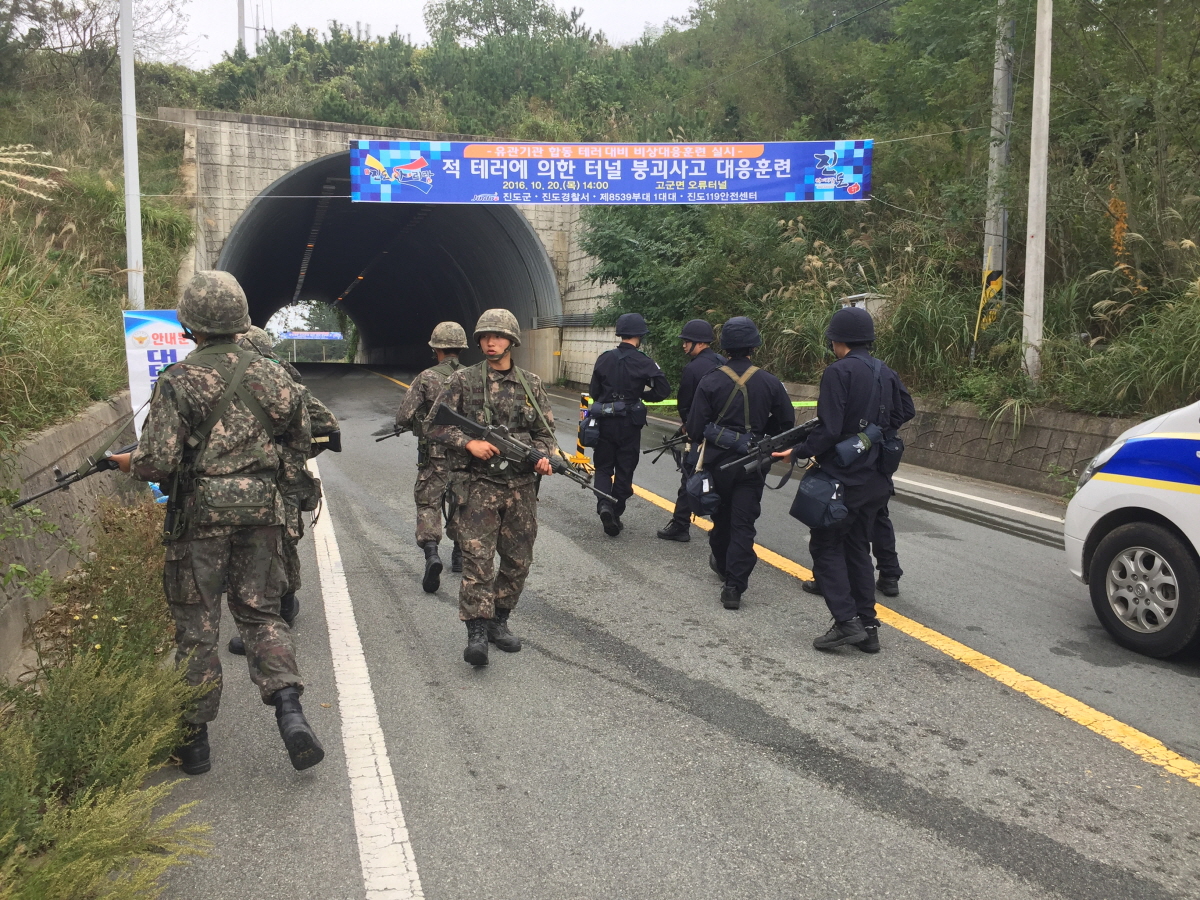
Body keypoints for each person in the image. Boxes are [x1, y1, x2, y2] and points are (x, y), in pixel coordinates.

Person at [112, 271, 323, 774]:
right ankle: (291, 712)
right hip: (263, 515)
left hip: (201, 519)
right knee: (262, 614)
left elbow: (156, 463)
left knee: (198, 626)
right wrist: (276, 497)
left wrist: (127, 462)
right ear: (240, 319)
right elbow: (299, 448)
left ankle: (195, 744)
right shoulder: (277, 376)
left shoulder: (179, 379)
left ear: (190, 323)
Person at [773, 305, 914, 653]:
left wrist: (799, 450)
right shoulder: (886, 372)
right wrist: (873, 432)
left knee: (825, 545)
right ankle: (868, 627)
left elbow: (830, 428)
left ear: (837, 340)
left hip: (844, 477)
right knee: (857, 550)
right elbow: (905, 411)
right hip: (877, 479)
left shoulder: (839, 372)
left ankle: (846, 622)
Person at [425, 308, 557, 667]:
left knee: (517, 561)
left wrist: (545, 458)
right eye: (484, 337)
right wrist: (468, 443)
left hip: (522, 489)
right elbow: (433, 425)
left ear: (511, 341)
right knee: (477, 561)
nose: (490, 342)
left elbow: (546, 435)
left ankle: (499, 621)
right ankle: (477, 632)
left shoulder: (531, 383)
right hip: (479, 486)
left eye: (497, 337)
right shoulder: (463, 382)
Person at [228, 325, 340, 656]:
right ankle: (285, 605)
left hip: (278, 482)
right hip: (278, 480)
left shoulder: (281, 386)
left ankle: (276, 613)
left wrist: (290, 453)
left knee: (275, 544)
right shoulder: (279, 384)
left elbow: (329, 428)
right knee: (281, 542)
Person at [686, 316, 794, 610]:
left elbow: (695, 429)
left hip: (718, 464)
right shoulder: (771, 382)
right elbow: (786, 425)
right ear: (753, 348)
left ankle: (722, 565)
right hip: (753, 465)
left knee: (721, 520)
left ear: (726, 348)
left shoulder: (710, 379)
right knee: (743, 523)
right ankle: (734, 586)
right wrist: (760, 434)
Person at [393, 321, 469, 593]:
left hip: (434, 454)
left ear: (436, 348)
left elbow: (403, 415)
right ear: (460, 348)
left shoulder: (426, 377)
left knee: (428, 502)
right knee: (463, 501)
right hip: (465, 455)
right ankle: (459, 555)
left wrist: (418, 424)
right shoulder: (472, 377)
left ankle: (432, 553)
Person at [587, 313, 670, 536]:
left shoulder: (604, 358)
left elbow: (594, 392)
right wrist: (640, 397)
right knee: (625, 469)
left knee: (603, 466)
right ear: (640, 336)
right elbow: (663, 390)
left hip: (604, 422)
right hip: (630, 424)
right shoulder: (644, 361)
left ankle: (603, 504)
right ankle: (616, 511)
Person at [657, 319, 725, 543]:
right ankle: (720, 526)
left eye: (687, 342)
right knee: (721, 479)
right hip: (724, 434)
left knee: (689, 476)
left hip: (699, 433)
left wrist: (688, 426)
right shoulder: (724, 363)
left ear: (698, 343)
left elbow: (685, 404)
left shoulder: (692, 368)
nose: (684, 346)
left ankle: (680, 524)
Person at [801, 502, 904, 597]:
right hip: (880, 485)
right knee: (878, 516)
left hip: (853, 486)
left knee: (840, 520)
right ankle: (889, 575)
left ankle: (827, 581)